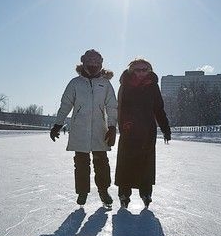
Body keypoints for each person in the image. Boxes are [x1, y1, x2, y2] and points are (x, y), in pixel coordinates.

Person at [50, 49, 118, 207]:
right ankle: (82, 192)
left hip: (100, 130)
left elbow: (112, 107)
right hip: (80, 129)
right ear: (84, 62)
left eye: (97, 61)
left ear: (101, 63)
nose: (93, 64)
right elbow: (65, 104)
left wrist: (112, 126)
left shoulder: (105, 84)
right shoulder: (75, 83)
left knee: (101, 162)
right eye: (90, 60)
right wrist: (58, 124)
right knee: (81, 163)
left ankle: (103, 190)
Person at [114, 57, 171, 208]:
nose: (141, 73)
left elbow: (158, 109)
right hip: (129, 130)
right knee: (126, 162)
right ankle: (124, 193)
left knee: (146, 163)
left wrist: (165, 128)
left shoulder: (153, 87)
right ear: (132, 71)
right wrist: (121, 125)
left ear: (149, 71)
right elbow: (120, 108)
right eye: (138, 70)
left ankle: (146, 193)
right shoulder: (125, 86)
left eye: (144, 70)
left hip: (147, 130)